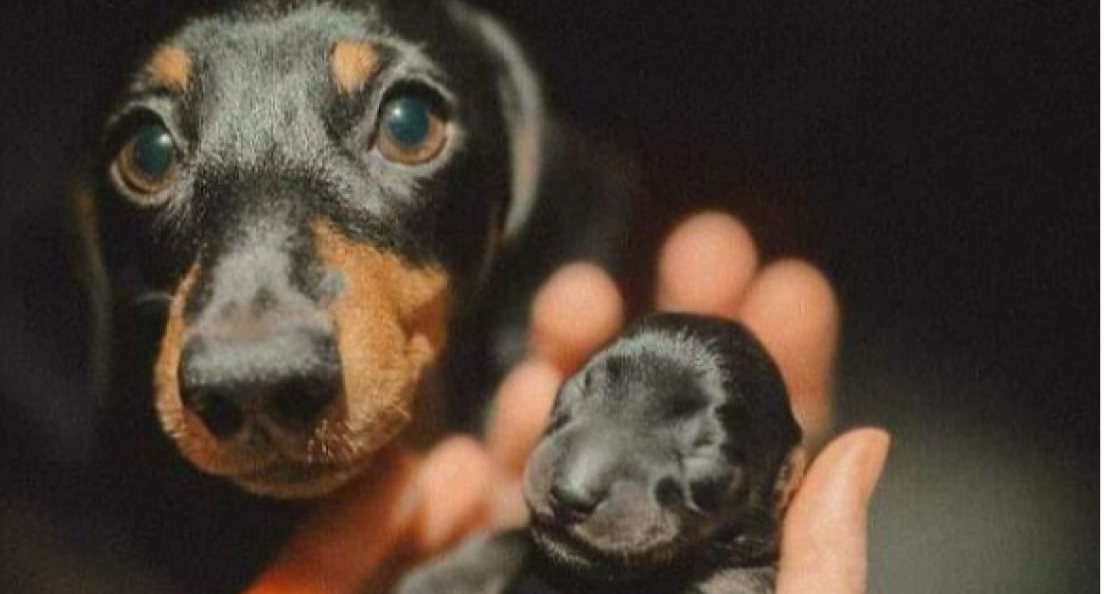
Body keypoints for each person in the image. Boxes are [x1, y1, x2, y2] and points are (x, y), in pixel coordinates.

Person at [246, 212, 891, 594]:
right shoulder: (511, 550)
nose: (577, 480)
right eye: (578, 398)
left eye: (704, 465)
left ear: (781, 485)